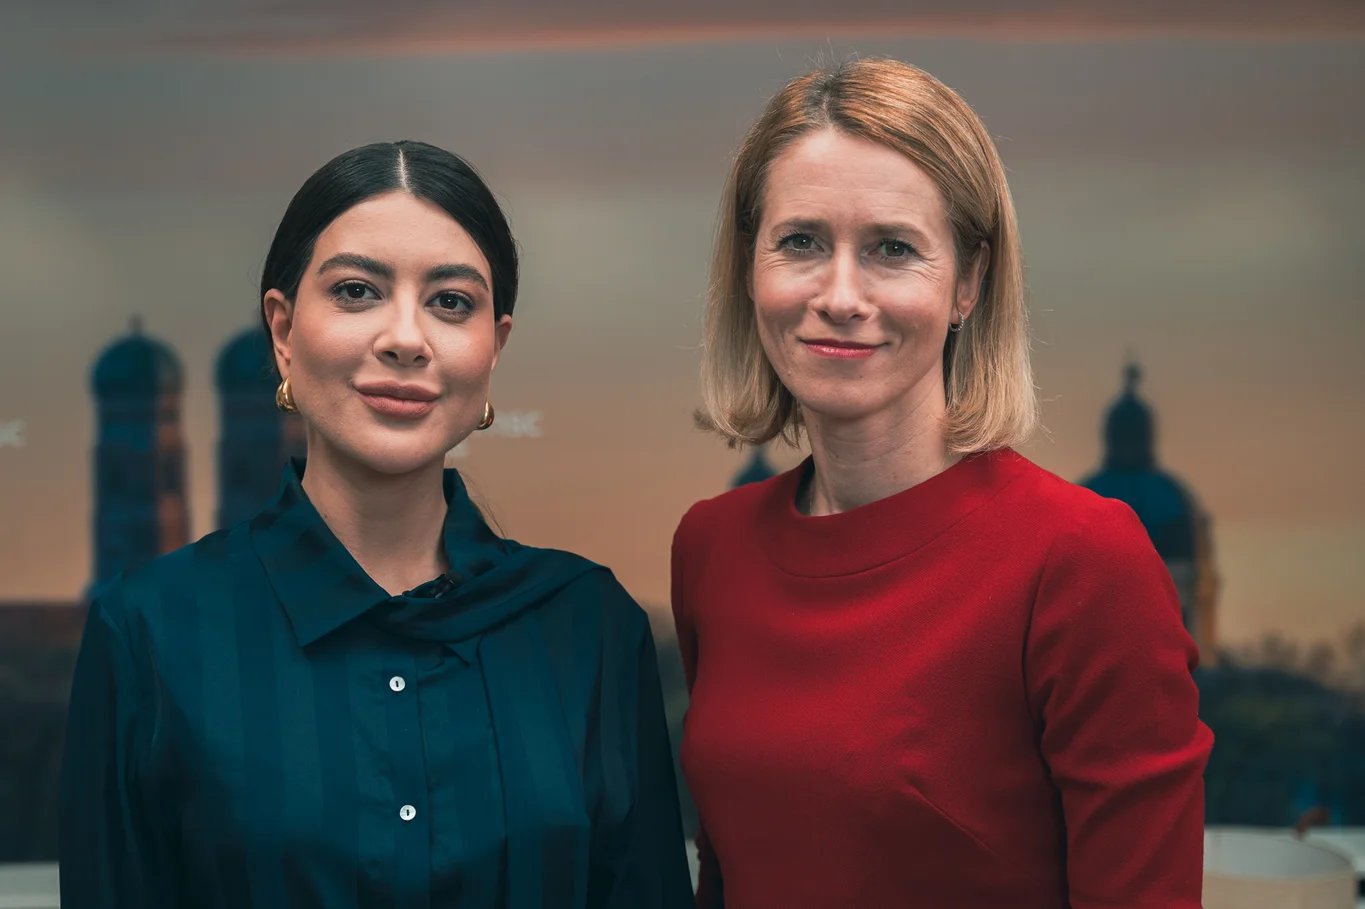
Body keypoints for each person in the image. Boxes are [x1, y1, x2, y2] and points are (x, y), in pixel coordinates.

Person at [59, 140, 693, 909]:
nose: (404, 337)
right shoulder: (151, 632)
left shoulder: (588, 628)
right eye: (357, 291)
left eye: (451, 302)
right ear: (283, 331)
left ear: (494, 346)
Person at [671, 59, 1213, 908]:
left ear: (967, 281)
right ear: (750, 267)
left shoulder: (1080, 560)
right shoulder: (711, 545)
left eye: (891, 248)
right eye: (801, 241)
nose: (840, 295)